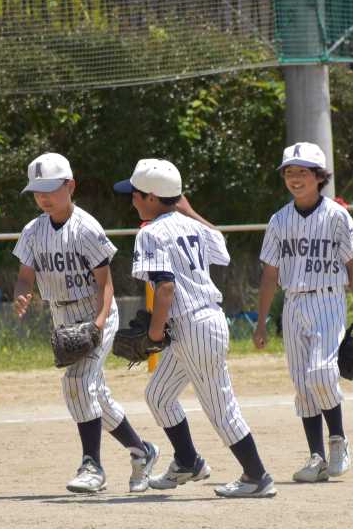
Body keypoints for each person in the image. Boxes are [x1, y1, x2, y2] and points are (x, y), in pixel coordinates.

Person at [117, 158, 276, 499]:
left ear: (152, 198)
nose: (132, 199)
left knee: (220, 407)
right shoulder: (194, 226)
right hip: (196, 325)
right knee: (158, 396)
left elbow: (165, 287)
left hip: (194, 326)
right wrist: (188, 210)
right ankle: (188, 462)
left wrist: (154, 334)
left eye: (136, 194)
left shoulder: (151, 233)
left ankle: (256, 476)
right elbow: (220, 245)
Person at [12, 152, 160, 494]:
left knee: (77, 383)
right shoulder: (33, 231)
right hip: (62, 317)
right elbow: (24, 277)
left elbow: (105, 284)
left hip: (95, 313)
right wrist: (22, 293)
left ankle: (92, 465)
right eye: (37, 191)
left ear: (70, 186)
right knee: (96, 397)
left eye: (51, 189)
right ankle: (142, 451)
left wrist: (98, 324)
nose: (44, 197)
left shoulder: (86, 228)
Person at [253, 142, 353, 483]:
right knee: (302, 385)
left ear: (319, 176)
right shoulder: (279, 220)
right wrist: (261, 322)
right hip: (293, 303)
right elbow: (270, 274)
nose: (295, 178)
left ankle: (338, 440)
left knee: (321, 373)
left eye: (302, 172)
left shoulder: (336, 216)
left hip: (328, 299)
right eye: (289, 172)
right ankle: (316, 457)